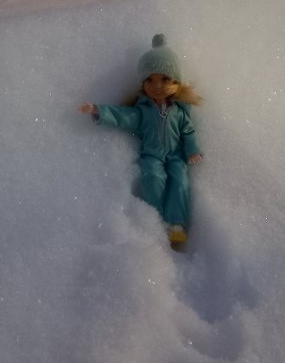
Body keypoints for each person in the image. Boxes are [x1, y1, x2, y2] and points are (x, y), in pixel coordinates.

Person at [79, 34, 203, 244]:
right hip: (152, 156)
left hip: (176, 156)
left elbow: (188, 132)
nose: (158, 86)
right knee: (153, 179)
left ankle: (176, 226)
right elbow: (123, 116)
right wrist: (98, 111)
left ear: (176, 82)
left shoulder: (180, 111)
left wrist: (191, 150)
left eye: (165, 79)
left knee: (180, 182)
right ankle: (153, 221)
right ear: (143, 84)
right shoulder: (143, 111)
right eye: (150, 80)